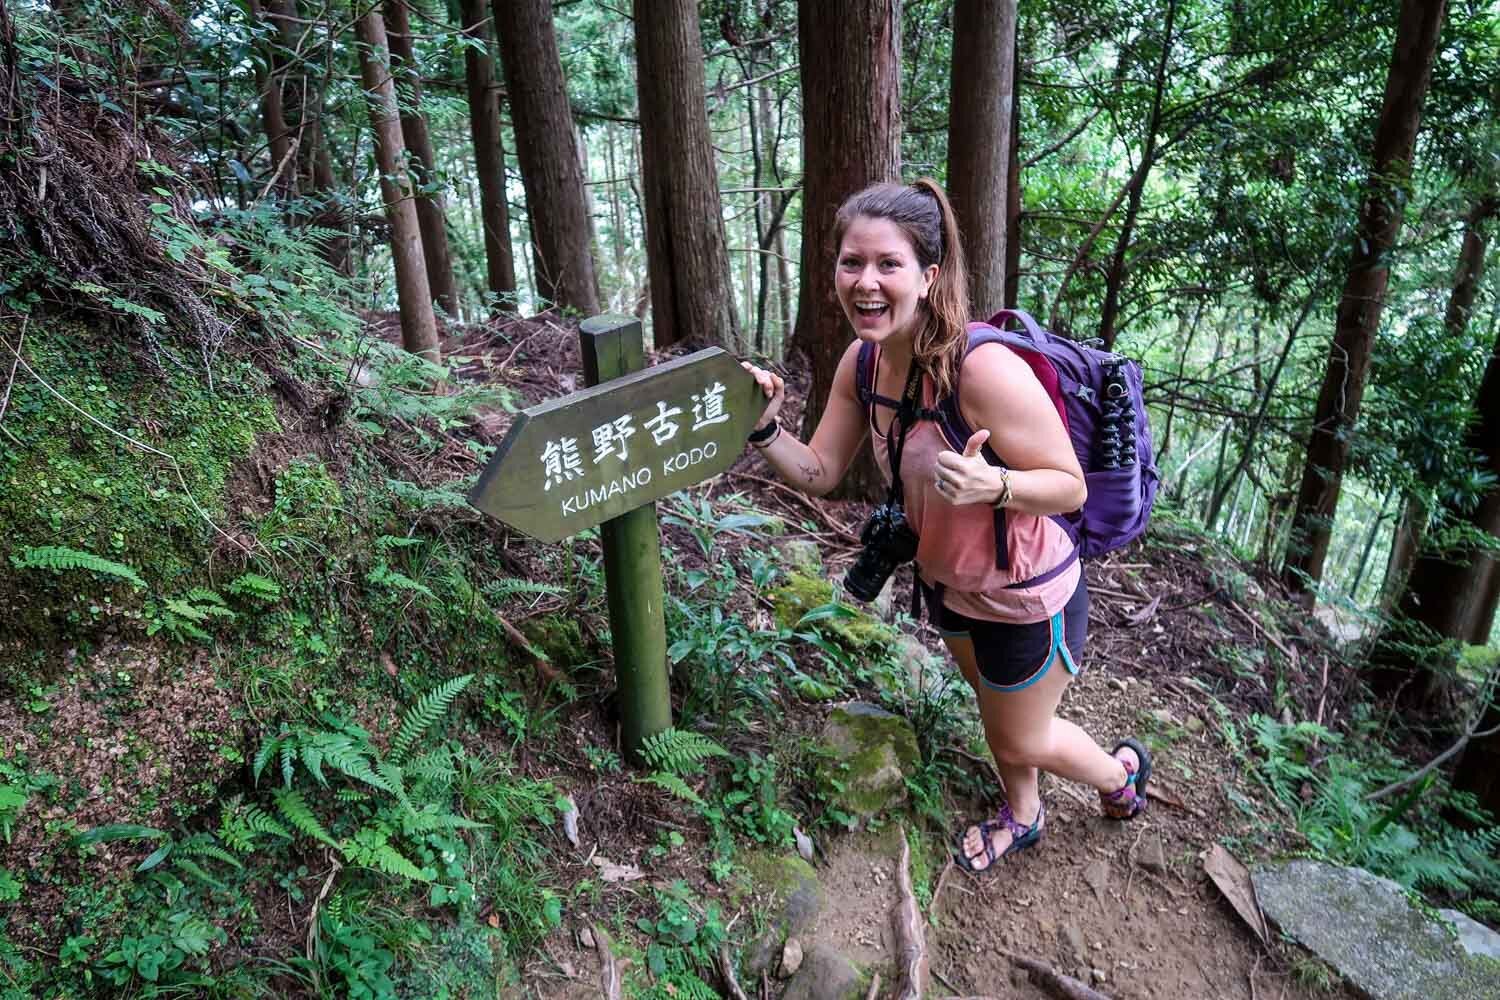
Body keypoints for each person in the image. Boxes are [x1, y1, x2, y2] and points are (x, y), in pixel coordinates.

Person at [741, 178, 1150, 871]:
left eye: (888, 264)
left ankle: (1120, 776)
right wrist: (764, 429)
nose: (865, 282)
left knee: (1021, 738)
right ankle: (1025, 813)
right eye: (851, 262)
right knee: (998, 714)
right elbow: (819, 471)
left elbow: (1068, 484)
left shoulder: (982, 371)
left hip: (1026, 596)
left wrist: (999, 485)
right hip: (947, 584)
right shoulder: (863, 362)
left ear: (928, 277)